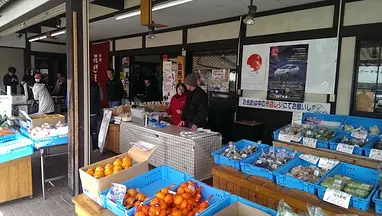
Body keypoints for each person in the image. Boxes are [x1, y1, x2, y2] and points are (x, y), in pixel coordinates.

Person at [90, 79, 103, 151]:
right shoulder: (97, 87)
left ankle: (84, 148)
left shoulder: (81, 87)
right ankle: (95, 148)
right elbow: (101, 97)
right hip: (94, 111)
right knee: (94, 131)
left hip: (85, 112)